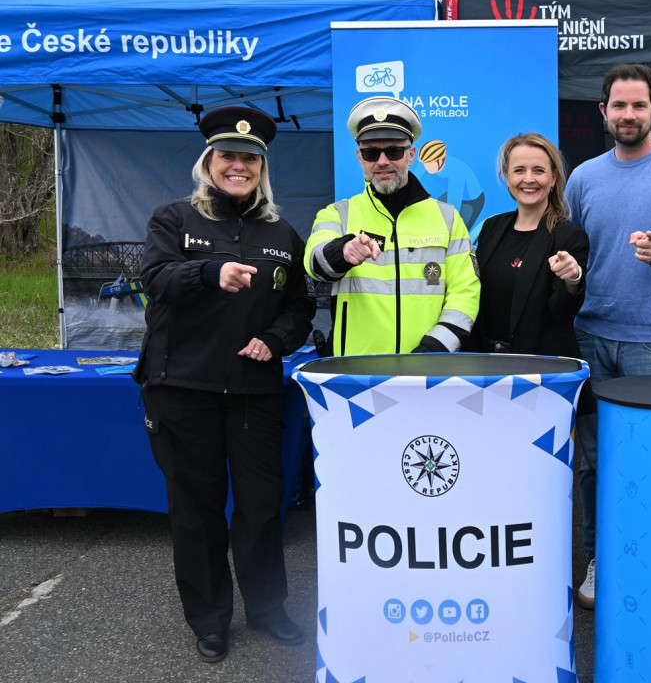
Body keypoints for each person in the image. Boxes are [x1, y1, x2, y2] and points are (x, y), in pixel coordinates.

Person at [135, 106, 316, 663]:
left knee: (261, 508)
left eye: (249, 159)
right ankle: (210, 620)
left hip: (253, 391)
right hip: (182, 388)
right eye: (228, 157)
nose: (238, 166)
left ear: (262, 168)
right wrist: (210, 272)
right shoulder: (173, 219)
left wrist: (275, 340)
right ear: (208, 163)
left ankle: (267, 609)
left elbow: (300, 306)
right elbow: (154, 279)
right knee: (197, 510)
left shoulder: (281, 232)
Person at [564, 63, 651, 609]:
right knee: (595, 462)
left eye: (638, 105)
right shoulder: (583, 178)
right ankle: (600, 558)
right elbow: (572, 251)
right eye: (619, 106)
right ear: (604, 111)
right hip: (589, 338)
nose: (628, 115)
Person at [304, 96, 480, 355]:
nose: (382, 161)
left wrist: (435, 348)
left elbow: (465, 292)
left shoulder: (448, 218)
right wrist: (342, 252)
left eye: (394, 151)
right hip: (355, 369)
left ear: (411, 155)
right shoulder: (338, 214)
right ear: (359, 157)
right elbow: (314, 263)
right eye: (371, 153)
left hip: (427, 366)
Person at [469, 133, 588, 356]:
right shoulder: (492, 228)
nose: (529, 179)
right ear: (506, 177)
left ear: (553, 178)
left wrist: (572, 279)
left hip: (539, 365)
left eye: (539, 170)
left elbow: (563, 312)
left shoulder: (569, 237)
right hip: (486, 362)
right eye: (519, 170)